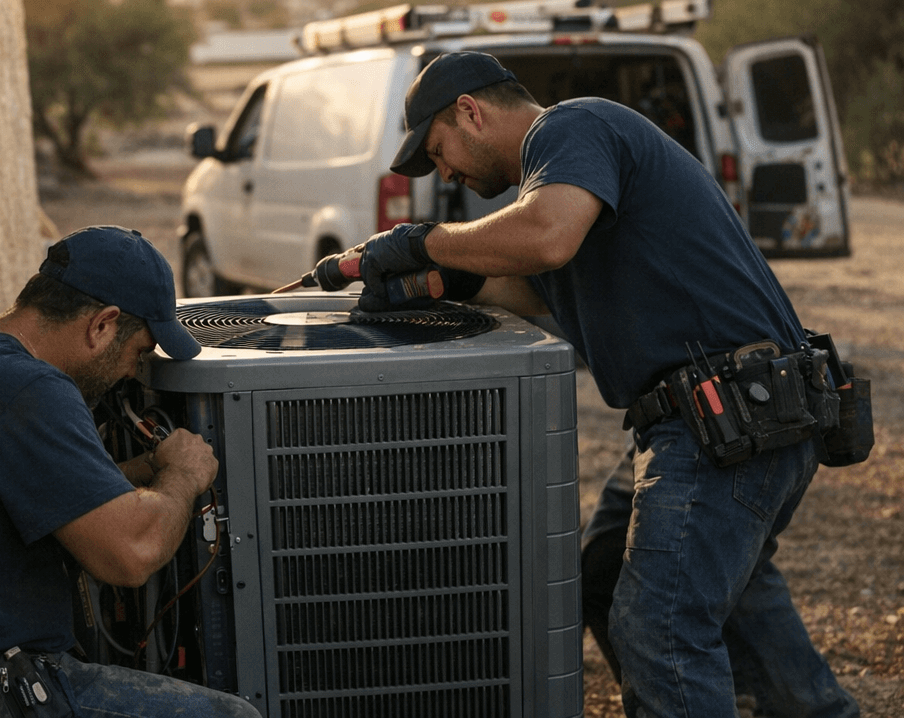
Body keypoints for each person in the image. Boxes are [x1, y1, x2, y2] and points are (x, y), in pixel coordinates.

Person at [328, 51, 858, 718]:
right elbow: (531, 284)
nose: (445, 171)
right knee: (615, 577)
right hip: (723, 418)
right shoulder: (560, 184)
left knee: (658, 628)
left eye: (439, 150)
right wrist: (436, 285)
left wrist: (425, 241)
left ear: (471, 111)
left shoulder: (570, 129)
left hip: (725, 419)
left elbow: (546, 239)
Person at [0, 226, 260, 718]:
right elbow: (131, 554)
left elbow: (29, 487)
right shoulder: (29, 389)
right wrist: (182, 474)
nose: (130, 374)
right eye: (138, 353)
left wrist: (139, 472)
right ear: (102, 325)